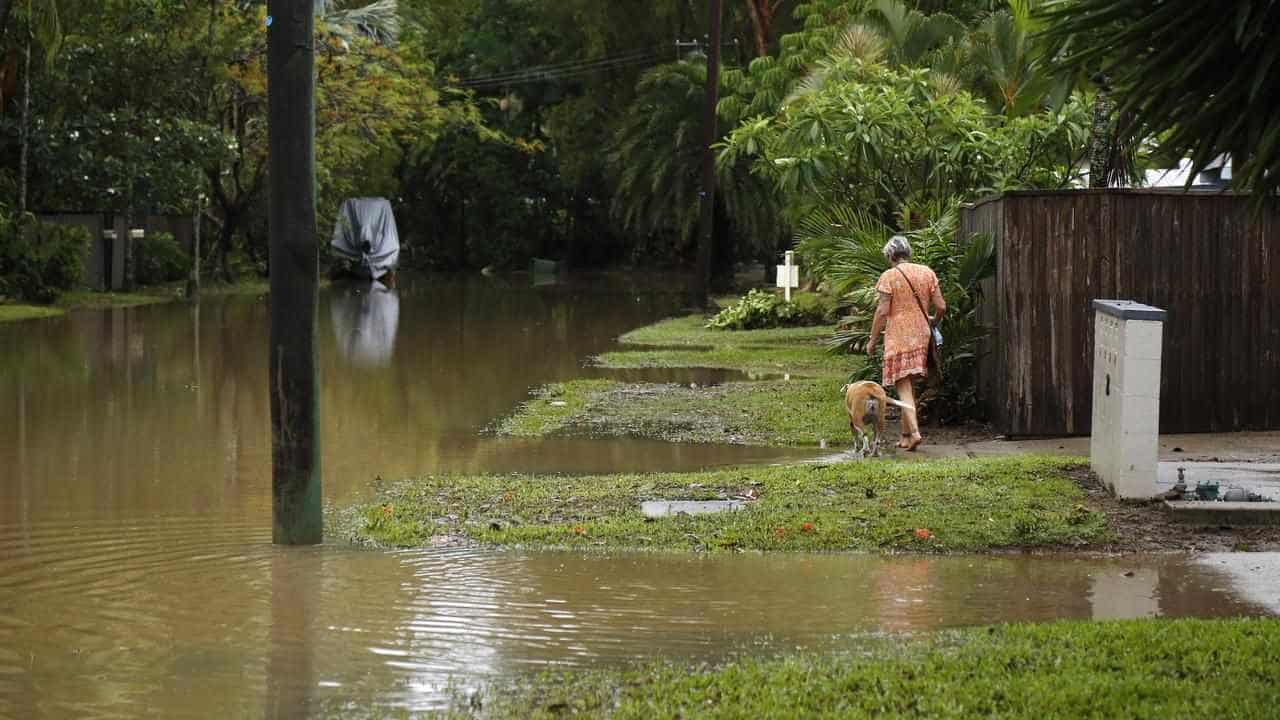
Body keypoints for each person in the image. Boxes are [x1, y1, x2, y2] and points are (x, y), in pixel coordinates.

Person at [865, 235, 945, 451]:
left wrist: (872, 339)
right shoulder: (926, 272)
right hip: (921, 333)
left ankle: (915, 433)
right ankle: (905, 435)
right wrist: (933, 323)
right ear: (908, 253)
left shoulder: (889, 276)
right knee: (908, 386)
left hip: (898, 335)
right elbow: (941, 306)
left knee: (902, 384)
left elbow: (882, 311)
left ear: (890, 255)